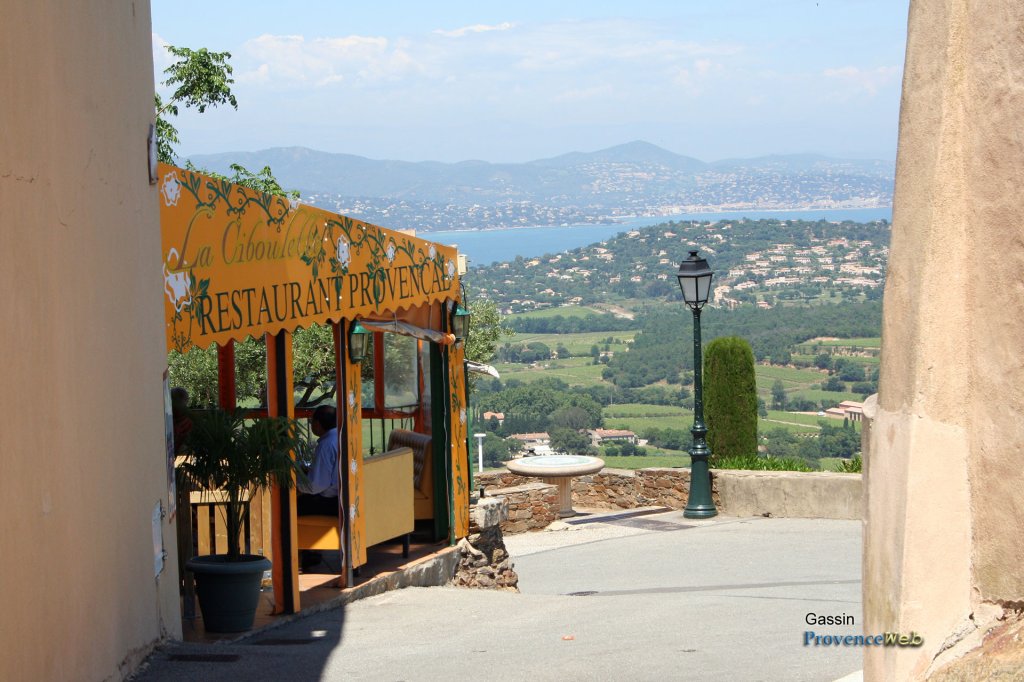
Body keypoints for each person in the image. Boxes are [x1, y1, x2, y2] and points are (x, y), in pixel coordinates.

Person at [296, 404, 339, 517]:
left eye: (312, 422)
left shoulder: (326, 445)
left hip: (330, 502)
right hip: (340, 498)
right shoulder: (340, 437)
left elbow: (317, 485)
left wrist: (297, 485)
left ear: (317, 423)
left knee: (288, 507)